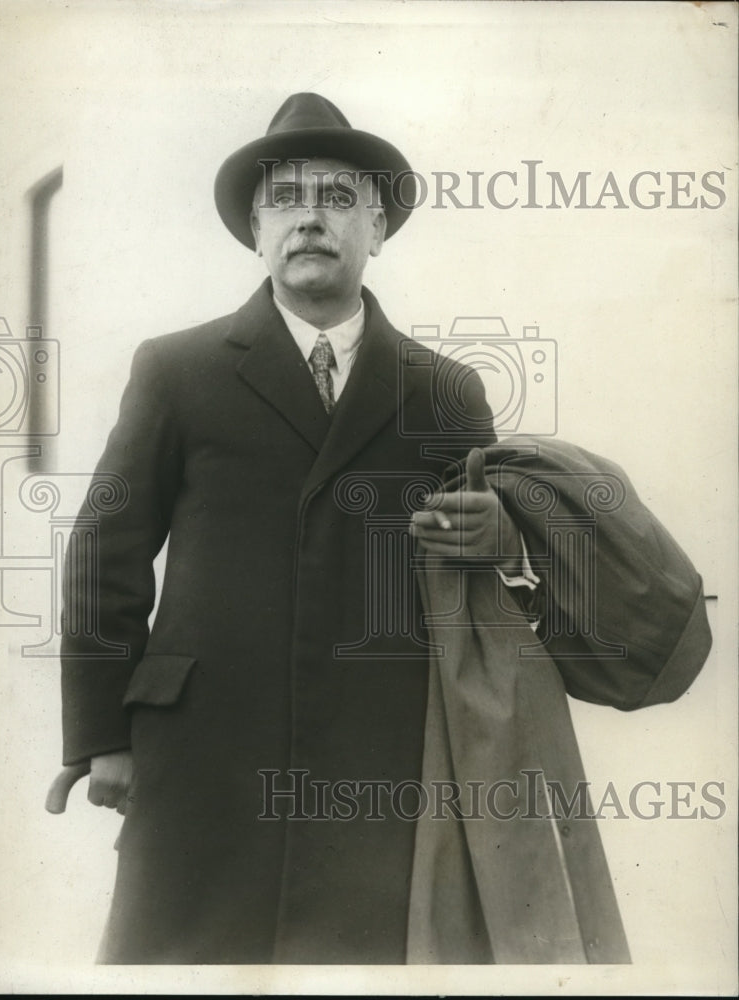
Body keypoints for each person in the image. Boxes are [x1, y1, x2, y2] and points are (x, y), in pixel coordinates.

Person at [57, 92, 710, 965]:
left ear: (379, 226)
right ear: (255, 231)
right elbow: (106, 553)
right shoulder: (176, 370)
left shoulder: (444, 391)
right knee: (183, 971)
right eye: (284, 198)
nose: (309, 218)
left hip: (388, 757)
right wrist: (102, 735)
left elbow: (485, 572)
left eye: (336, 196)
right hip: (204, 750)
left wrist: (504, 541)